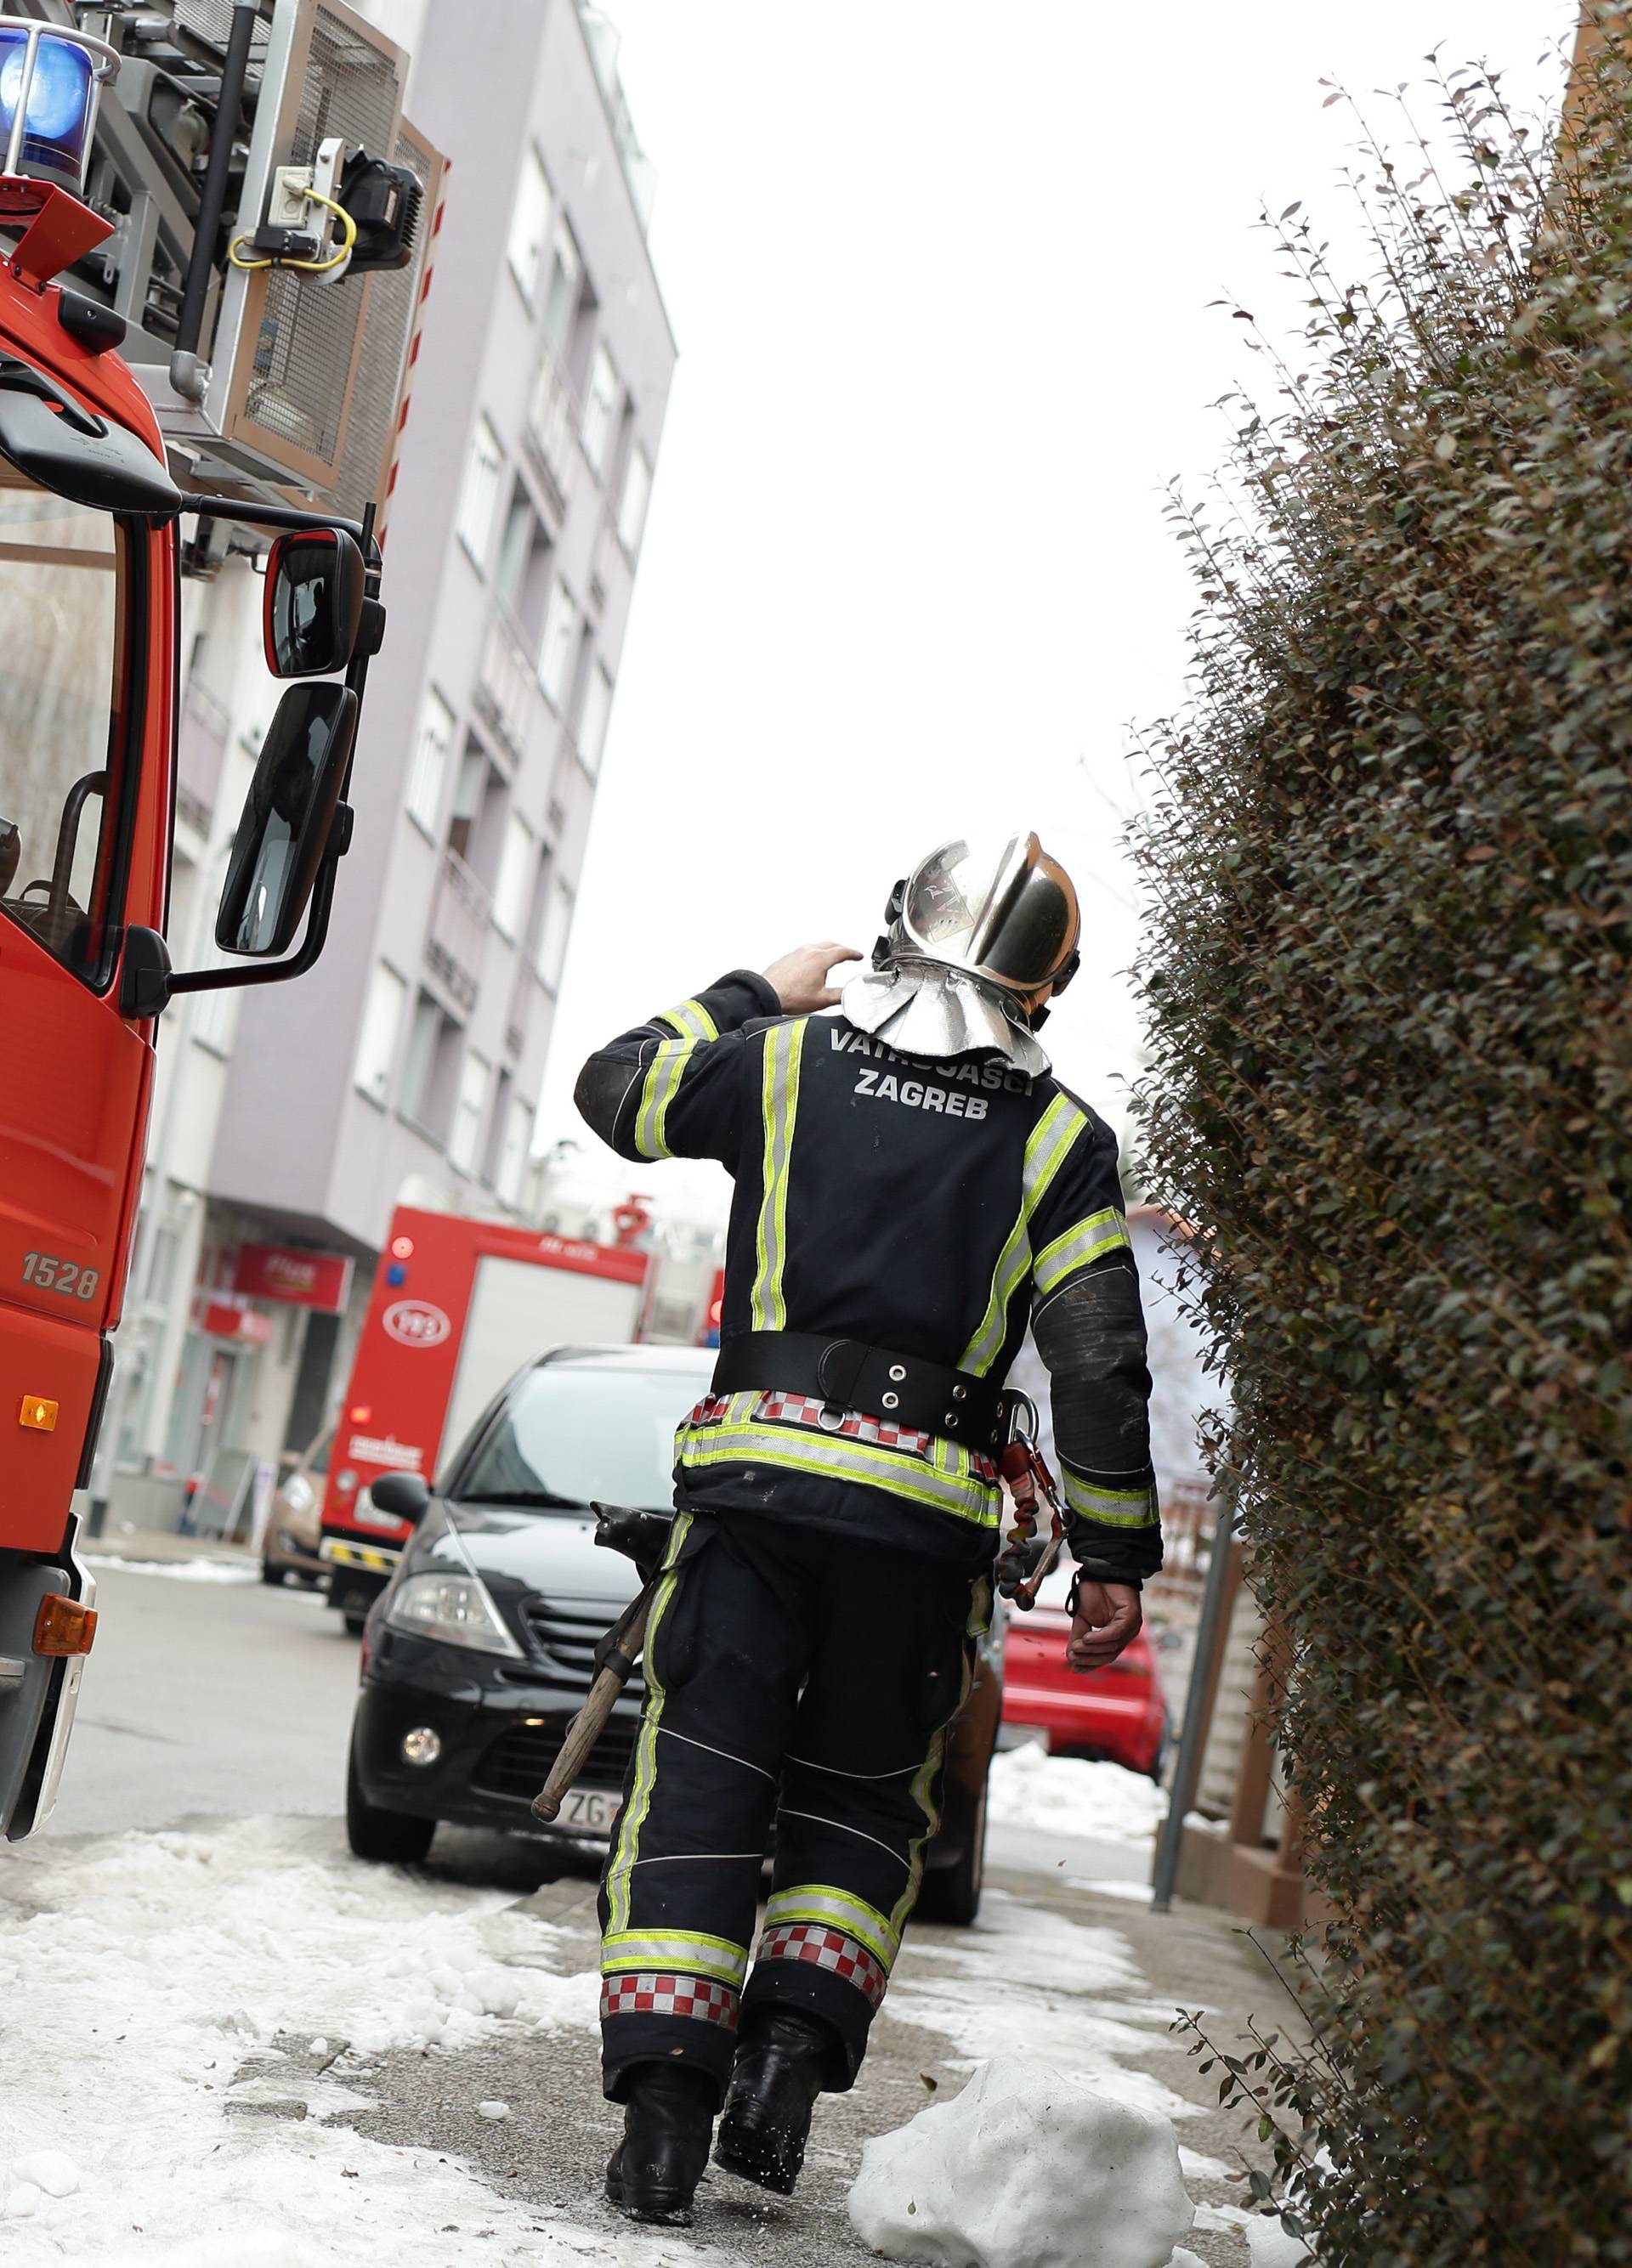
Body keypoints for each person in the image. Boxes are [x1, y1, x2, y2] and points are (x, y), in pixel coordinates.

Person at [574, 831, 1161, 2226]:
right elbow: (1097, 1359)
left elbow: (616, 1089)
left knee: (702, 1787)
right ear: (1045, 987)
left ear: (896, 927)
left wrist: (749, 993)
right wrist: (1116, 1555)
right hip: (921, 1536)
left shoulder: (781, 1061)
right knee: (856, 1802)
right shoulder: (1065, 1137)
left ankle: (663, 2127)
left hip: (754, 1501)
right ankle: (781, 2066)